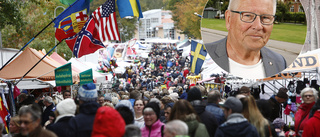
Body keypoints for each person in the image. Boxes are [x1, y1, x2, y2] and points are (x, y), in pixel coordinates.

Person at [205, 0, 286, 79]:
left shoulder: (279, 62)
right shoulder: (203, 55)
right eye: (247, 16)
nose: (258, 26)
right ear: (229, 19)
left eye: (265, 17)